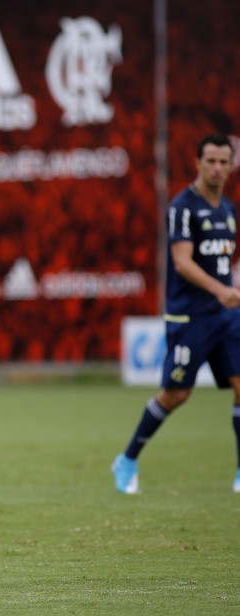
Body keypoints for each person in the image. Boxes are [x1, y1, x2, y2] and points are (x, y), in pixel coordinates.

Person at [112, 134, 240, 494]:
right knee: (175, 394)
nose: (216, 168)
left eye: (223, 162)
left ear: (231, 165)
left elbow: (221, 264)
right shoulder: (184, 208)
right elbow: (182, 264)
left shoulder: (228, 210)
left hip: (226, 317)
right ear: (197, 162)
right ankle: (127, 459)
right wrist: (222, 290)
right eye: (210, 161)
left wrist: (227, 291)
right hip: (190, 318)